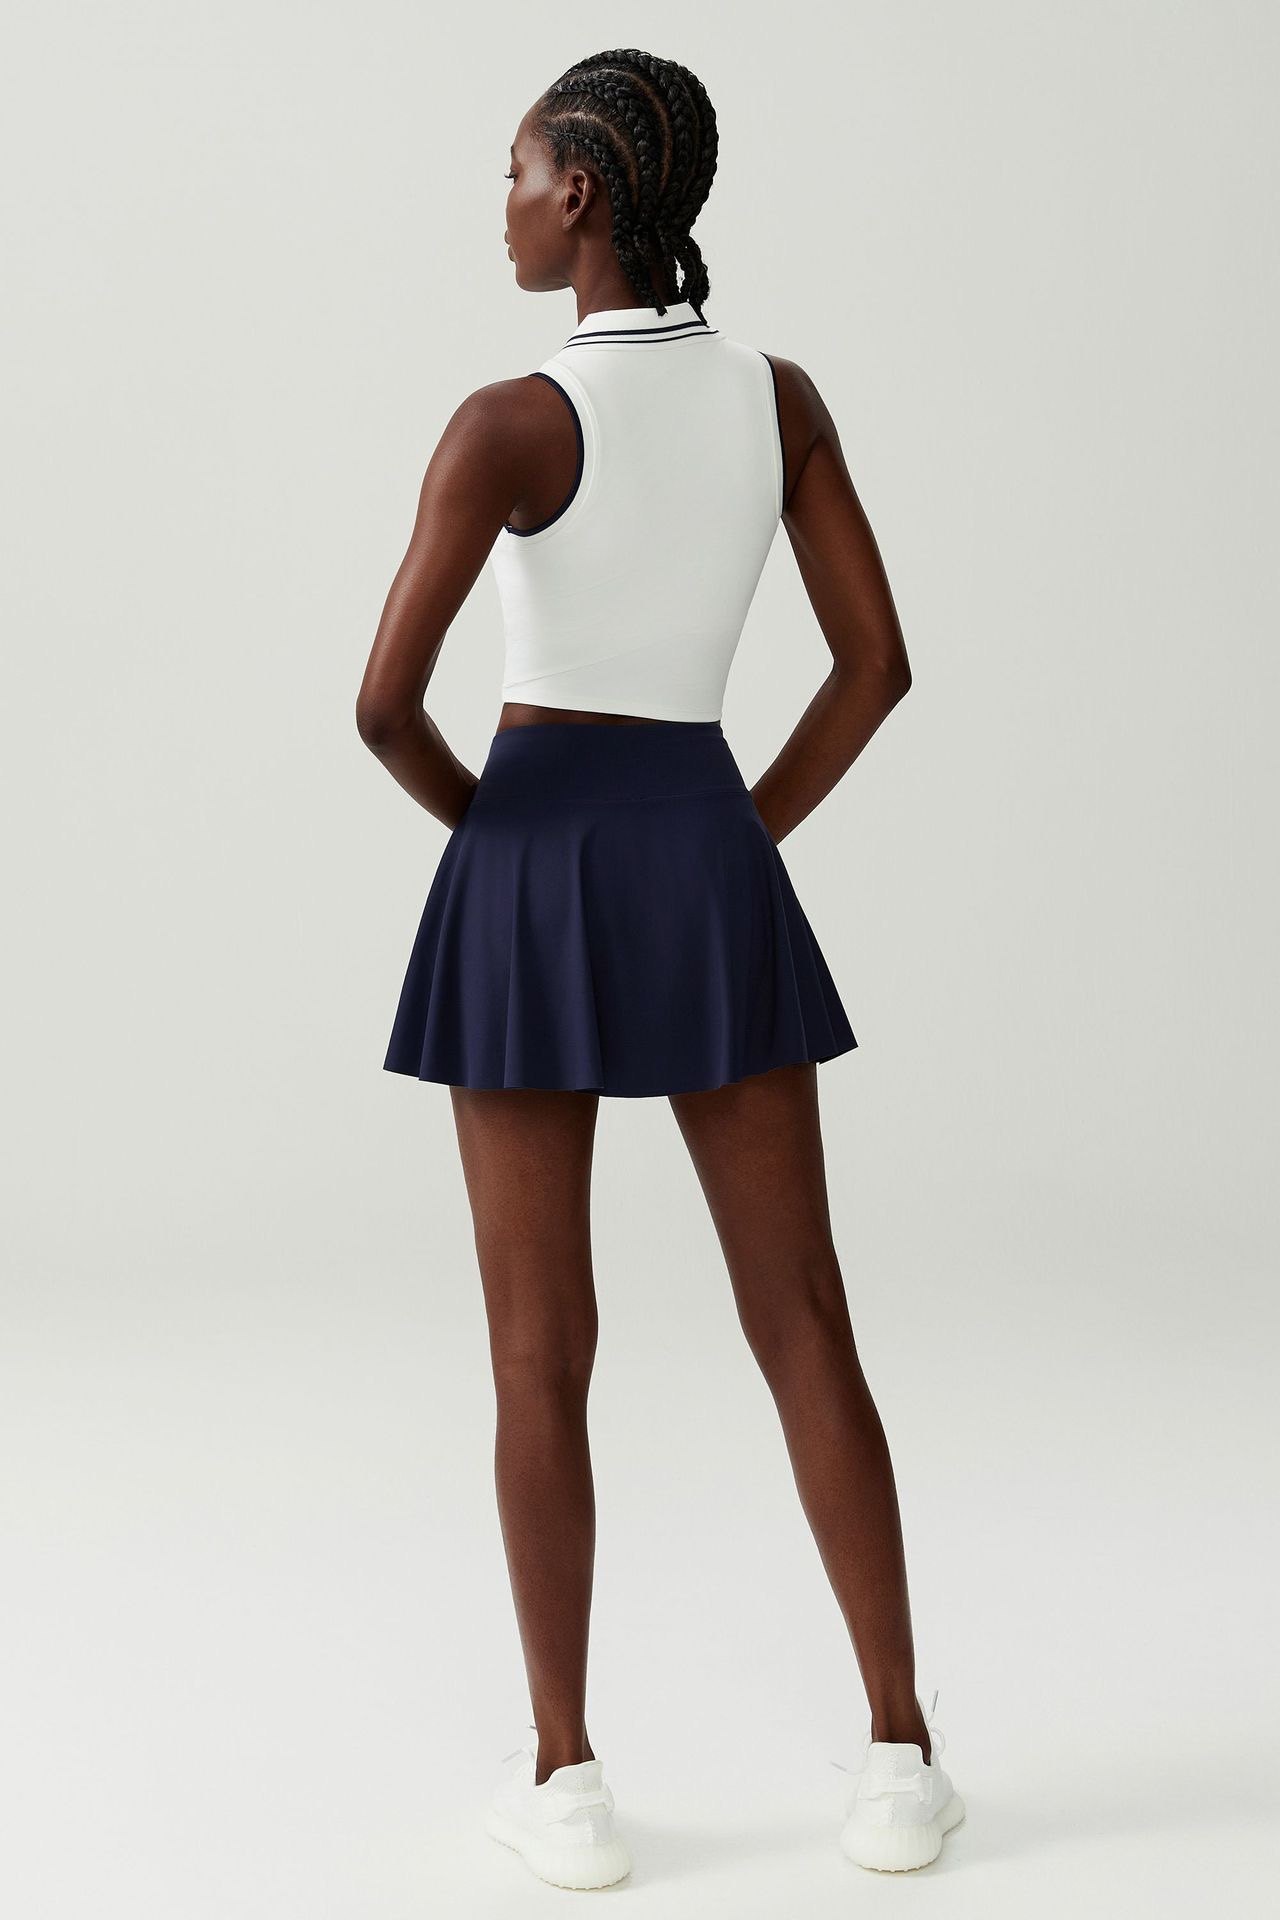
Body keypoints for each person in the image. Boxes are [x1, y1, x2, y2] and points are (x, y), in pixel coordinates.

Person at [356, 47, 964, 1890]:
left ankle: (567, 1780)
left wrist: (500, 837)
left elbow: (383, 706)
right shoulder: (777, 398)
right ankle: (901, 1756)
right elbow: (877, 663)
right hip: (703, 852)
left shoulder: (508, 422)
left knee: (541, 1351)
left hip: (533, 862)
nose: (504, 205)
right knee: (806, 1320)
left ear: (588, 192)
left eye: (518, 171)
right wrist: (734, 833)